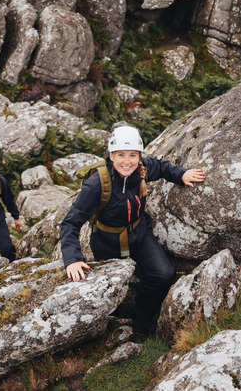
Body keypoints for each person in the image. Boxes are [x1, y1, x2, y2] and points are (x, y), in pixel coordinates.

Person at [60, 125, 206, 335]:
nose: (127, 161)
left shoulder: (142, 169)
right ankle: (118, 322)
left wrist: (181, 174)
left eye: (132, 155)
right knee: (114, 290)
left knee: (163, 274)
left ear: (139, 156)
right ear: (111, 155)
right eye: (121, 155)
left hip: (139, 234)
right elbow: (70, 223)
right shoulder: (97, 184)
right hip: (106, 241)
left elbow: (162, 167)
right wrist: (72, 258)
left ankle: (143, 319)